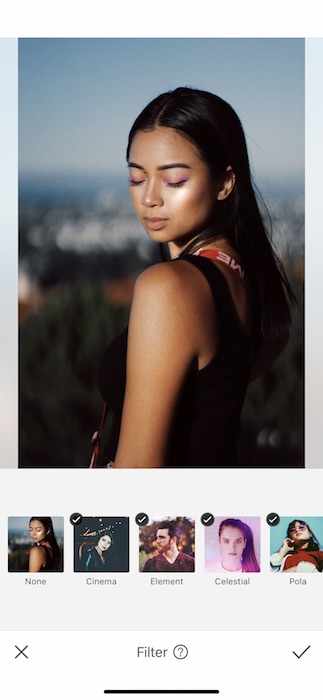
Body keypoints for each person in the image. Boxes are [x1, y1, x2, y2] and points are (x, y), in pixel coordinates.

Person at [97, 87, 295, 468]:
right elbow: (276, 335)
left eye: (173, 181)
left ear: (225, 182)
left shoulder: (168, 288)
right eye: (136, 179)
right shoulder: (243, 271)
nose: (149, 198)